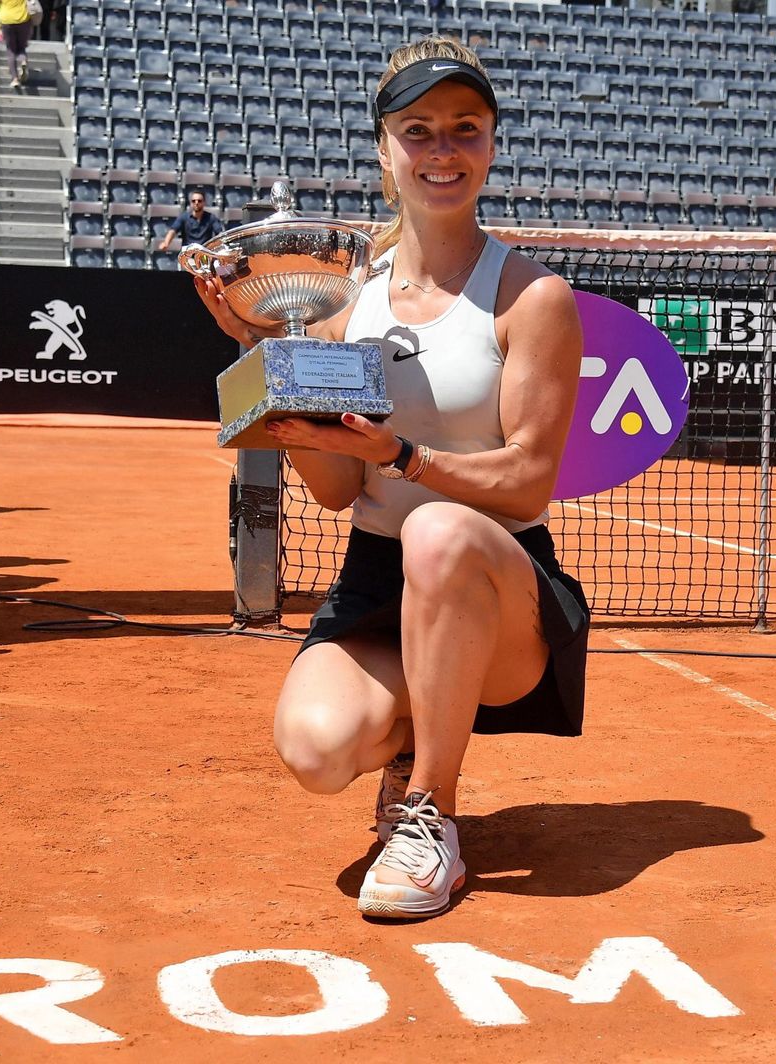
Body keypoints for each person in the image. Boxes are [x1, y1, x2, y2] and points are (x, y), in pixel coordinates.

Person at [191, 38, 588, 920]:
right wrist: (268, 358)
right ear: (384, 149)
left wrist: (406, 459)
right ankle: (412, 737)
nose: (442, 151)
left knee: (435, 529)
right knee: (315, 749)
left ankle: (432, 817)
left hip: (499, 585)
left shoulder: (534, 298)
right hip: (378, 582)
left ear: (490, 144)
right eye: (419, 131)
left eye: (465, 129)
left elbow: (526, 484)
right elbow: (336, 491)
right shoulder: (342, 295)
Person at [156, 191, 226, 252]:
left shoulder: (211, 217)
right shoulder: (184, 217)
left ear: (204, 202)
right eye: (193, 201)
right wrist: (166, 243)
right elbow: (173, 231)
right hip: (188, 253)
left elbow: (219, 233)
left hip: (204, 253)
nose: (196, 203)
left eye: (199, 201)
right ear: (190, 203)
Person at [0, 0, 34, 89]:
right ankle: (23, 61)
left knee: (11, 50)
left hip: (7, 19)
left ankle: (15, 79)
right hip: (23, 18)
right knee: (21, 46)